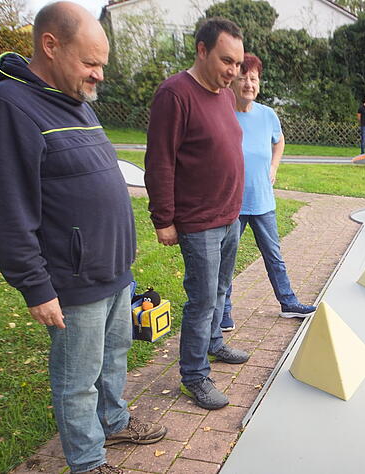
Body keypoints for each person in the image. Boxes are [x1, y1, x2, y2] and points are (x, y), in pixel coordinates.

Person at [0, 3, 167, 473]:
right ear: (50, 45)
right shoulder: (8, 107)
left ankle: (115, 423)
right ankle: (87, 460)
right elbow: (8, 208)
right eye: (90, 63)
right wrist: (35, 287)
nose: (99, 74)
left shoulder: (75, 99)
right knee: (77, 377)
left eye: (102, 64)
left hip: (114, 272)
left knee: (113, 358)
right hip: (72, 280)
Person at [144, 18, 250, 411]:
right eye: (226, 61)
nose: (233, 72)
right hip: (199, 222)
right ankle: (194, 376)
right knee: (202, 300)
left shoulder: (225, 95)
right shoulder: (174, 94)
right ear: (201, 50)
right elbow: (159, 162)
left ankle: (214, 343)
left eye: (237, 64)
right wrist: (164, 219)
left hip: (229, 216)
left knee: (221, 292)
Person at [219, 53, 317, 331]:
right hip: (232, 204)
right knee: (227, 260)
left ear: (259, 83)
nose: (248, 84)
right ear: (233, 82)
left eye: (253, 79)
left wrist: (274, 166)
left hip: (262, 201)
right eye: (243, 78)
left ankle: (288, 302)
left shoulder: (267, 114)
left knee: (274, 255)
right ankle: (224, 311)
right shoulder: (223, 113)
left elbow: (280, 140)